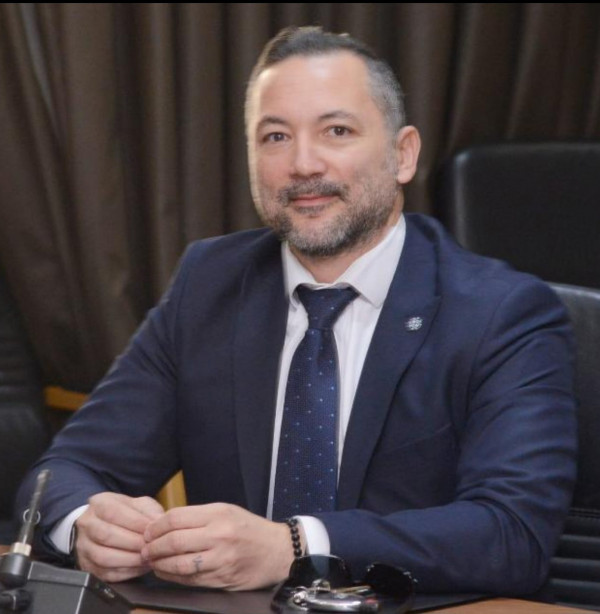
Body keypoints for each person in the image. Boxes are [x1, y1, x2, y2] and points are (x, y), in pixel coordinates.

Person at [16, 26, 576, 596]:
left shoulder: (500, 312)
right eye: (275, 136)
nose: (303, 164)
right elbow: (61, 474)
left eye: (337, 131)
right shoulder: (209, 285)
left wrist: (295, 546)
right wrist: (85, 524)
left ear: (403, 154)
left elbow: (512, 535)